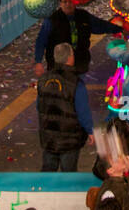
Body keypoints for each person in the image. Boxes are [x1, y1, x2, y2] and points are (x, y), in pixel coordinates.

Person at [36, 41, 94, 172]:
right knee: (69, 173)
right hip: (69, 139)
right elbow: (82, 111)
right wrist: (90, 131)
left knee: (47, 172)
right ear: (69, 58)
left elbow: (38, 105)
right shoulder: (75, 83)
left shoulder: (43, 79)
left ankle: (43, 191)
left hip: (49, 137)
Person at [33, 0, 119, 76]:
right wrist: (38, 62)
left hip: (80, 65)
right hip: (58, 68)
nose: (68, 4)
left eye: (70, 2)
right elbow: (41, 41)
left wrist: (120, 28)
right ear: (60, 4)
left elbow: (101, 26)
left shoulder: (84, 16)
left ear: (75, 2)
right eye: (64, 2)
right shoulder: (51, 20)